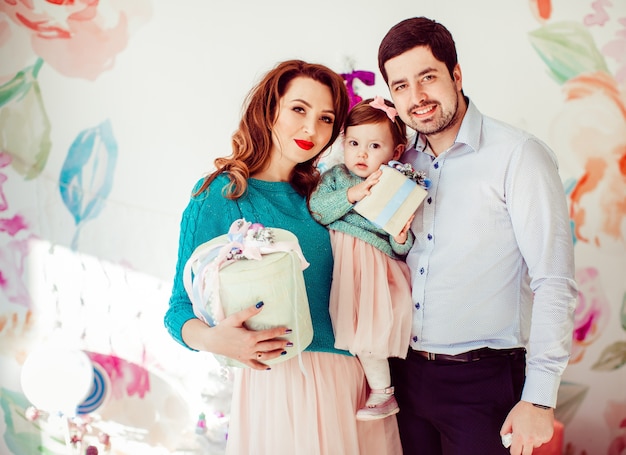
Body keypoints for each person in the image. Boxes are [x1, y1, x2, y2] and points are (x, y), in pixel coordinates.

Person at [164, 59, 401, 454]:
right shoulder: (221, 195)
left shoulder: (328, 194)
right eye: (299, 109)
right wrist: (216, 340)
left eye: (326, 118)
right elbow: (177, 310)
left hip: (359, 384)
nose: (312, 129)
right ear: (269, 108)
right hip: (280, 383)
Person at [377, 17, 578, 455]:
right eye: (401, 86)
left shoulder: (518, 156)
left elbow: (554, 280)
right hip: (405, 379)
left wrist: (539, 396)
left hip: (484, 386)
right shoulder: (398, 159)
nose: (417, 98)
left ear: (456, 74)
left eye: (427, 77)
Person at [309, 96, 414, 421]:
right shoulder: (338, 177)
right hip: (342, 265)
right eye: (354, 143)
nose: (362, 153)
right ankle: (364, 387)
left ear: (395, 152)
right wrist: (352, 194)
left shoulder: (394, 184)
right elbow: (318, 209)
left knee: (367, 334)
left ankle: (383, 392)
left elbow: (402, 241)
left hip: (373, 266)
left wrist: (400, 238)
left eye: (373, 146)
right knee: (346, 329)